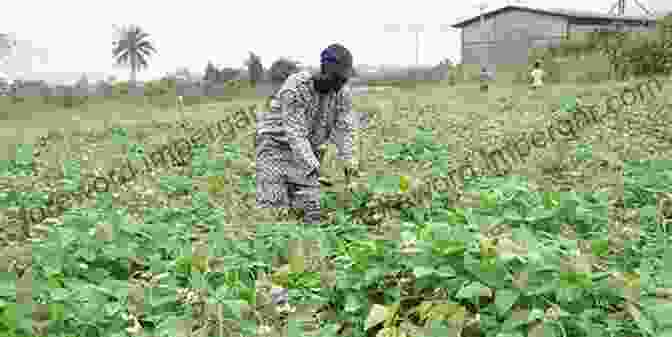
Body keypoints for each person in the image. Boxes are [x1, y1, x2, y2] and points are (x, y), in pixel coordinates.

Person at [255, 43, 359, 225]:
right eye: (337, 79)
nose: (340, 85)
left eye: (344, 80)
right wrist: (315, 168)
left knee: (310, 211)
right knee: (274, 211)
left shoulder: (342, 93)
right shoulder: (296, 87)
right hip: (274, 148)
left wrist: (349, 164)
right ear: (324, 71)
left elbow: (345, 129)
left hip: (309, 151)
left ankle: (307, 247)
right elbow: (295, 134)